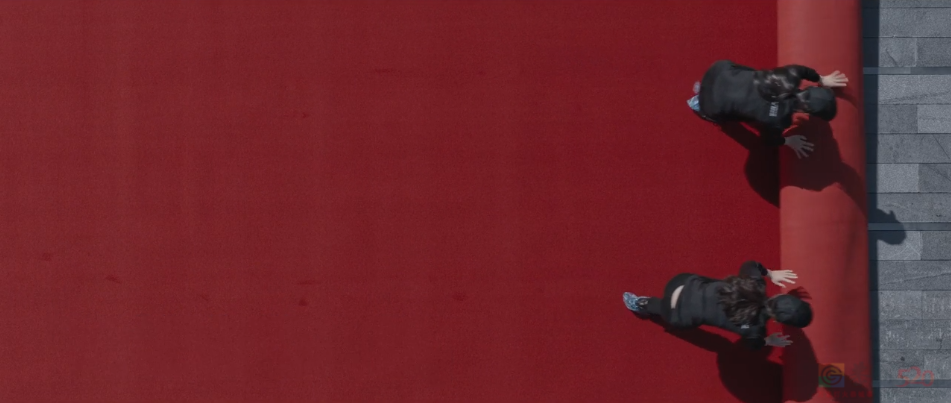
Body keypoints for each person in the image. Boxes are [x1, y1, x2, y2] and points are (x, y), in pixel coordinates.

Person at [622, 261, 812, 349]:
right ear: (777, 320)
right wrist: (768, 341)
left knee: (713, 285)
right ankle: (642, 304)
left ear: (779, 295)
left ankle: (642, 303)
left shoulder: (755, 282)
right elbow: (754, 344)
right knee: (673, 312)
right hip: (675, 314)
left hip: (679, 282)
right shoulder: (755, 329)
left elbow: (750, 265)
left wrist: (770, 273)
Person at [687, 61, 848, 159]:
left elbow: (804, 71)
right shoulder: (780, 120)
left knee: (755, 76)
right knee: (736, 114)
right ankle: (699, 104)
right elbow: (769, 140)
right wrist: (789, 141)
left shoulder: (790, 76)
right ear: (808, 112)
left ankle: (714, 88)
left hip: (718, 69)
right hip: (711, 105)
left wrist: (822, 79)